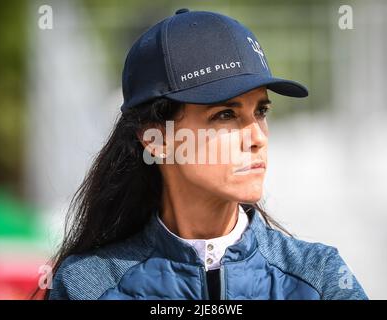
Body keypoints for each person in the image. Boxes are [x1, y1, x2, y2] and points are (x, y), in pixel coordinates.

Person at [46, 8, 368, 300]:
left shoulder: (321, 280)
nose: (257, 137)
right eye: (226, 115)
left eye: (261, 111)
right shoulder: (85, 286)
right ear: (155, 138)